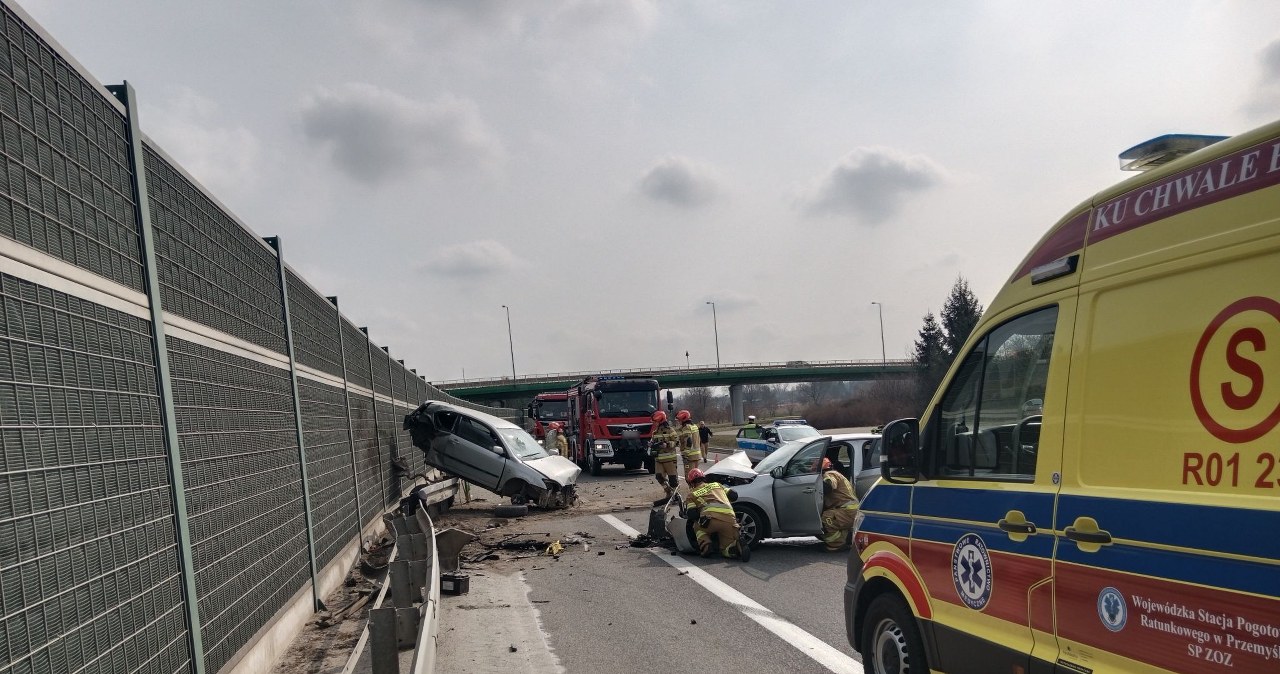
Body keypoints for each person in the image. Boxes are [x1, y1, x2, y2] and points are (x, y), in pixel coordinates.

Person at [685, 469, 748, 561]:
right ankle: (735, 548)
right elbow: (734, 495)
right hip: (730, 519)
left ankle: (706, 545)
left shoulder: (691, 494)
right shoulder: (716, 485)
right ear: (704, 478)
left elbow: (692, 514)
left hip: (710, 520)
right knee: (726, 548)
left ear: (691, 483)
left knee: (697, 527)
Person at [820, 457, 860, 552]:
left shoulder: (830, 474)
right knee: (833, 516)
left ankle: (836, 544)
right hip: (850, 511)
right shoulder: (838, 474)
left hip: (847, 511)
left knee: (826, 518)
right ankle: (848, 537)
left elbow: (829, 485)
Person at [650, 411, 680, 497]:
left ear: (660, 420)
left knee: (673, 479)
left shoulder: (670, 430)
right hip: (659, 459)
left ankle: (675, 495)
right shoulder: (655, 432)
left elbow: (676, 442)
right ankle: (668, 492)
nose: (654, 423)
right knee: (659, 477)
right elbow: (652, 442)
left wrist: (667, 444)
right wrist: (651, 444)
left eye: (655, 422)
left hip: (670, 459)